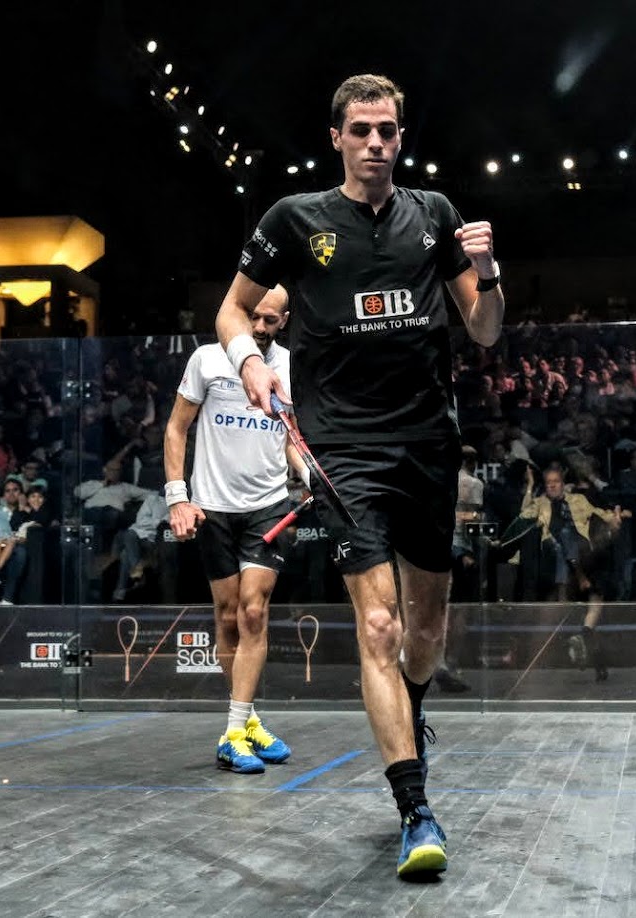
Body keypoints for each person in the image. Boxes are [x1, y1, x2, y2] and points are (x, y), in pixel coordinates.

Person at [214, 73, 504, 877]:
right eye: (361, 130)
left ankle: (410, 714)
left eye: (387, 131)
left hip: (428, 443)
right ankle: (415, 807)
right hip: (341, 449)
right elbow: (230, 308)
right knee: (378, 626)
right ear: (337, 137)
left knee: (424, 634)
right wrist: (250, 363)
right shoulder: (294, 219)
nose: (375, 143)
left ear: (400, 138)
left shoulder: (434, 214)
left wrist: (489, 270)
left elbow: (483, 329)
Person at [167, 285, 301, 774]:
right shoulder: (206, 360)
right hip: (213, 509)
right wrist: (177, 497)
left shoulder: (292, 367)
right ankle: (248, 722)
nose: (260, 327)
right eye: (255, 317)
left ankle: (231, 734)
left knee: (253, 611)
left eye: (271, 320)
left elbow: (291, 437)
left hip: (268, 507)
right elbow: (176, 429)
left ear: (284, 320)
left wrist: (309, 476)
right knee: (226, 618)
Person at [519, 466, 626, 680]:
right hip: (560, 562)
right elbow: (524, 515)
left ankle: (588, 645)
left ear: (563, 483)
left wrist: (615, 518)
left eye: (556, 482)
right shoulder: (540, 503)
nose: (552, 486)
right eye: (548, 482)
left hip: (584, 557)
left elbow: (600, 514)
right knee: (565, 541)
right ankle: (580, 645)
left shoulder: (578, 500)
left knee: (595, 600)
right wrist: (530, 486)